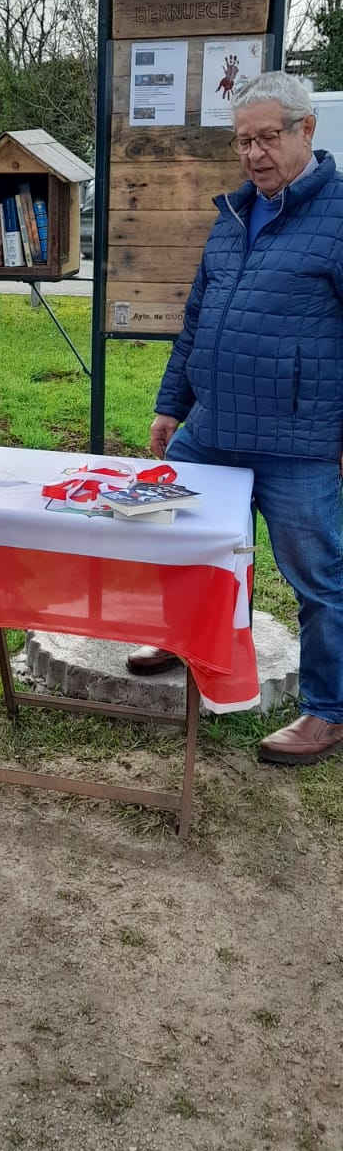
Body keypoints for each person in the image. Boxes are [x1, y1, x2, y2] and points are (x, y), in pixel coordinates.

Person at [127, 71, 343, 767]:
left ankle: (328, 710)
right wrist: (171, 405)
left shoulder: (338, 214)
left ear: (306, 132)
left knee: (318, 579)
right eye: (243, 140)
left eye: (267, 138)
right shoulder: (232, 215)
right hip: (213, 429)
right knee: (177, 536)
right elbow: (196, 322)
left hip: (299, 442)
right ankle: (186, 638)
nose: (253, 154)